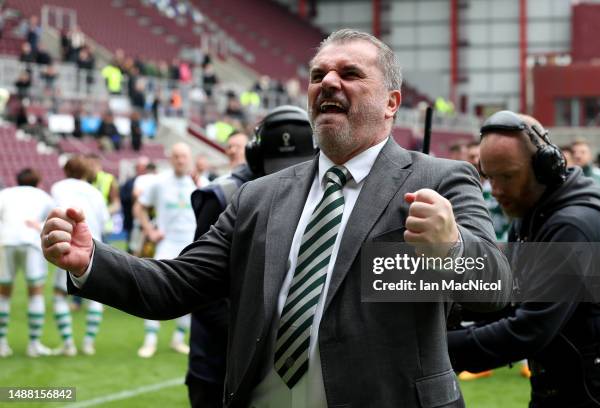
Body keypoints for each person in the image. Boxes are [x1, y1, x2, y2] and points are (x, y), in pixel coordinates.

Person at [42, 29, 511, 407]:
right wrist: (90, 261)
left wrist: (451, 249)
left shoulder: (442, 178)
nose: (329, 83)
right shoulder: (257, 198)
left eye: (350, 73)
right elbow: (175, 286)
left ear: (391, 102)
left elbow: (496, 287)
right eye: (318, 75)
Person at [448, 111, 600, 407]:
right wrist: (446, 313)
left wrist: (439, 349)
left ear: (544, 168)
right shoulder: (531, 216)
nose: (495, 191)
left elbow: (530, 328)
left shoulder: (572, 226)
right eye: (489, 176)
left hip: (589, 394)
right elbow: (511, 297)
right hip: (560, 385)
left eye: (507, 176)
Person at [186, 105, 316, 408]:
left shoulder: (317, 190)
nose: (288, 174)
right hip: (220, 365)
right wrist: (260, 333)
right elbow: (200, 289)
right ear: (255, 156)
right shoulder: (221, 197)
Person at [133, 143, 197, 358]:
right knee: (154, 290)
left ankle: (179, 339)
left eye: (184, 156)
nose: (180, 160)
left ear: (189, 158)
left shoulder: (199, 183)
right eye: (177, 156)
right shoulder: (159, 183)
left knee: (190, 294)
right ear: (171, 159)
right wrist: (149, 230)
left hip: (191, 246)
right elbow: (139, 206)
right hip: (166, 245)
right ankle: (149, 341)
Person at [50, 156, 109, 356]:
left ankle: (68, 344)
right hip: (94, 245)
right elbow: (104, 221)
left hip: (67, 244)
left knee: (59, 295)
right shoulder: (96, 192)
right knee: (96, 296)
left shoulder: (58, 187)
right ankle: (88, 343)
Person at [0, 168, 55, 357]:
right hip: (31, 243)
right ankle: (34, 344)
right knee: (35, 291)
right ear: (38, 181)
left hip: (6, 242)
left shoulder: (5, 194)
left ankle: (1, 344)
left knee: (4, 293)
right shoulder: (43, 196)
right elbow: (52, 222)